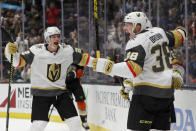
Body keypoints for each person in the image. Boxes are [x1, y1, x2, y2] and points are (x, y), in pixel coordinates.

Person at [89, 12, 187, 130]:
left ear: (139, 25)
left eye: (129, 25)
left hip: (145, 97)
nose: (125, 29)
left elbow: (133, 69)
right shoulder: (160, 32)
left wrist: (109, 67)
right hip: (167, 97)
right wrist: (182, 28)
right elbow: (181, 35)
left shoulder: (136, 41)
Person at [4, 26, 91, 131]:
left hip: (61, 93)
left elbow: (83, 59)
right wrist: (10, 53)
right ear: (47, 38)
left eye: (58, 36)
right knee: (38, 125)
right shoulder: (36, 50)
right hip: (41, 94)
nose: (56, 39)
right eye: (53, 37)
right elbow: (17, 62)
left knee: (75, 123)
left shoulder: (65, 50)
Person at [66, 64, 90, 130]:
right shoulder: (62, 55)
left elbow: (80, 71)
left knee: (81, 102)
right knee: (68, 103)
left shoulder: (77, 56)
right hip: (65, 84)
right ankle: (72, 122)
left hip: (76, 83)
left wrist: (77, 72)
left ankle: (84, 121)